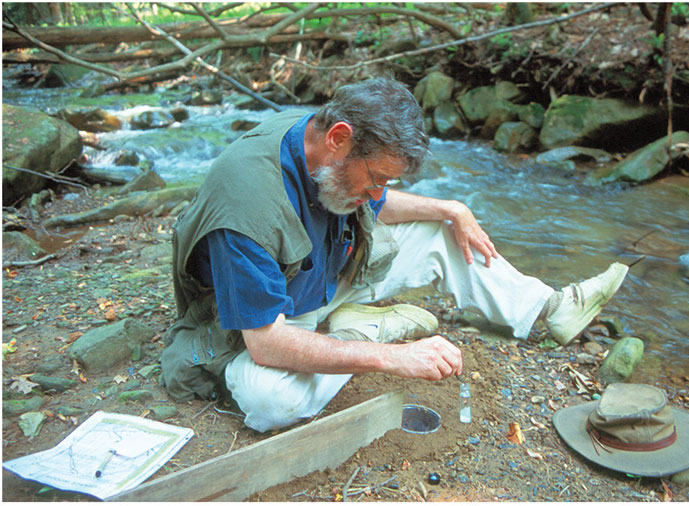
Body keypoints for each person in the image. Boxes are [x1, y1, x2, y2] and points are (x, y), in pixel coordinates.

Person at [162, 77, 628, 432]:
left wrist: (450, 208)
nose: (379, 191)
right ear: (339, 138)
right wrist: (389, 357)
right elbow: (264, 344)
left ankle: (548, 308)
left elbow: (378, 203)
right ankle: (359, 330)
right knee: (269, 402)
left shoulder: (325, 149)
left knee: (442, 230)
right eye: (379, 177)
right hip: (270, 321)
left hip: (325, 274)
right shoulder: (246, 203)